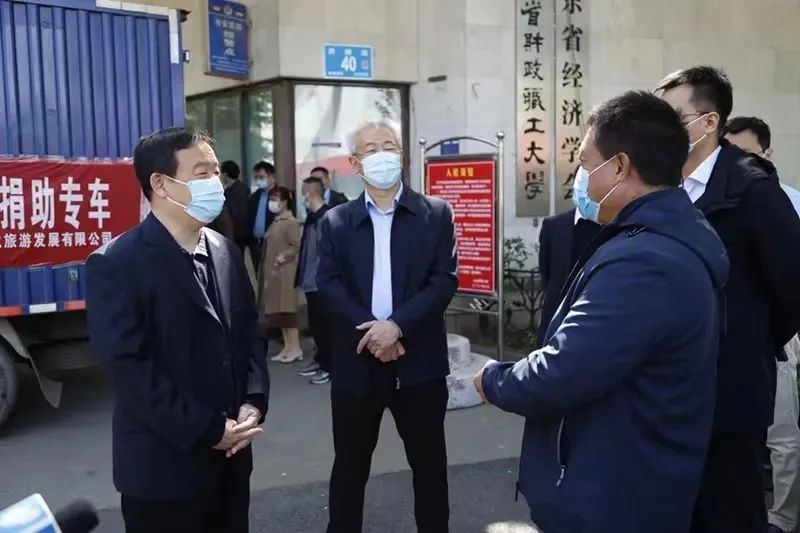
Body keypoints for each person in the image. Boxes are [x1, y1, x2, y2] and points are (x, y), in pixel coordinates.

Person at [474, 91, 729, 533]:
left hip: (614, 494)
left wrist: (491, 379)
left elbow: (564, 371)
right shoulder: (663, 238)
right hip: (632, 477)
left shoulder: (645, 261)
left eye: (584, 163)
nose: (580, 177)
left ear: (620, 166)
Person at [85, 128, 269, 533]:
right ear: (161, 184)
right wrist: (208, 429)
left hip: (231, 462)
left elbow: (250, 335)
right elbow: (130, 369)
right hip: (163, 472)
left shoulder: (225, 251)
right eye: (201, 172)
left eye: (216, 172)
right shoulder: (117, 263)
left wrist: (253, 401)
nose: (214, 182)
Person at [657, 65, 800, 533]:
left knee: (731, 509)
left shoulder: (752, 188)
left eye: (674, 117)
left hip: (732, 386)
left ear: (709, 122)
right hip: (670, 385)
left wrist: (749, 338)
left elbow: (791, 284)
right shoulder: (664, 186)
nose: (663, 130)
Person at [317, 120, 457, 533]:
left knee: (429, 467)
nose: (382, 155)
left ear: (402, 155)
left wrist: (397, 326)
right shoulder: (335, 221)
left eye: (389, 146)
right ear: (355, 163)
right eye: (371, 148)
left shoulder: (435, 214)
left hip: (419, 363)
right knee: (349, 468)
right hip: (357, 362)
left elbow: (443, 280)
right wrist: (374, 333)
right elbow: (328, 284)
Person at [723, 115, 800, 533]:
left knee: (781, 433)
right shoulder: (717, 200)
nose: (737, 163)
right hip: (733, 339)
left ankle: (784, 517)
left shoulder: (790, 201)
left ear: (767, 153)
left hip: (779, 334)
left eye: (747, 154)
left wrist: (776, 333)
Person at [535, 204, 601, 349]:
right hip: (557, 314)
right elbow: (545, 271)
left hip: (597, 314)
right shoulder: (553, 224)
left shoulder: (614, 225)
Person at [258, 185, 303, 363]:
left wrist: (282, 257)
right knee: (279, 314)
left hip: (285, 273)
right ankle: (287, 347)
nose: (272, 203)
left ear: (285, 202)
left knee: (288, 313)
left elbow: (296, 244)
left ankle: (295, 348)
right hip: (275, 273)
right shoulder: (276, 221)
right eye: (271, 199)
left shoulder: (290, 222)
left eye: (275, 199)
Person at [295, 177, 333, 385]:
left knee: (326, 328)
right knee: (317, 327)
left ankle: (329, 367)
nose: (302, 198)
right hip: (311, 281)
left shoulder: (327, 218)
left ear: (310, 194)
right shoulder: (313, 217)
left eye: (303, 194)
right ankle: (320, 361)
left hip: (321, 283)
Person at [247, 161, 276, 272]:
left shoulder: (281, 195)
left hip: (272, 244)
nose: (258, 180)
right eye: (256, 177)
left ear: (271, 177)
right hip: (255, 244)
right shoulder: (254, 196)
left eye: (261, 177)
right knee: (259, 275)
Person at [221, 160, 251, 255]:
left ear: (225, 175)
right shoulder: (243, 189)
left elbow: (234, 215)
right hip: (240, 235)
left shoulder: (233, 192)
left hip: (236, 235)